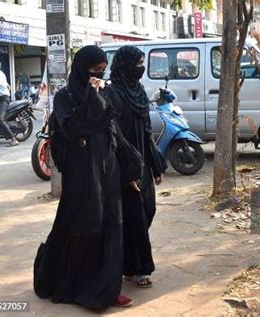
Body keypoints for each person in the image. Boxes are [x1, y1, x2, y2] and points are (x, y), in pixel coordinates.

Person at [33, 45, 143, 309]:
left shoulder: (106, 92)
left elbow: (114, 131)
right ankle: (78, 285)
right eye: (94, 70)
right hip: (82, 176)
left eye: (103, 70)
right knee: (86, 229)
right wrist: (92, 95)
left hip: (110, 170)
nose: (99, 75)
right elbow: (74, 128)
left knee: (113, 229)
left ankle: (107, 289)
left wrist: (130, 170)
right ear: (82, 69)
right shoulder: (65, 97)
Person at [105, 46, 167, 288]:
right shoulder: (111, 94)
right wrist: (128, 169)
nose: (141, 68)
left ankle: (129, 263)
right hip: (124, 164)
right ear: (125, 65)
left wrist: (156, 163)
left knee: (148, 210)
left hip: (142, 163)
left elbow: (147, 131)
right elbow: (114, 135)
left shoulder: (139, 91)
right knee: (135, 217)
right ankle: (139, 268)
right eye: (138, 63)